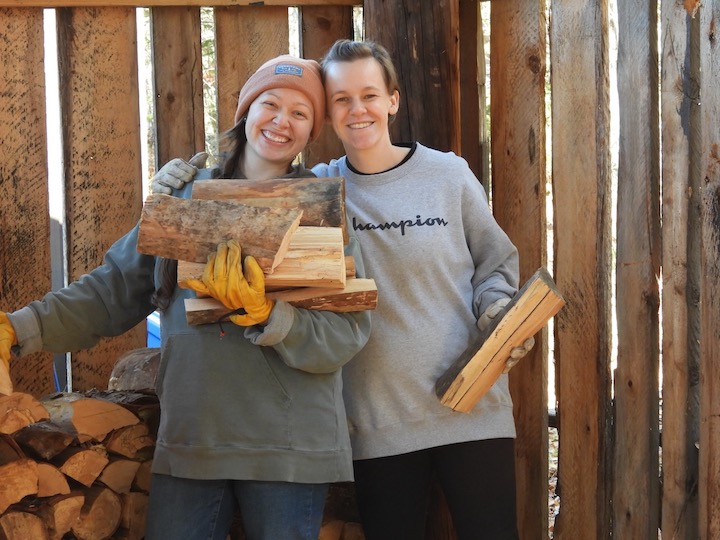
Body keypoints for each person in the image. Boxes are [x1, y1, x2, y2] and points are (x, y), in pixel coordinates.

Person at [152, 41, 534, 540]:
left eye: (370, 95)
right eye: (341, 100)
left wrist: (497, 309)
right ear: (326, 116)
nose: (358, 110)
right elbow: (239, 193)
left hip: (472, 406)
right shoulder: (315, 192)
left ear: (392, 100)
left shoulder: (447, 174)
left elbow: (495, 263)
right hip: (376, 422)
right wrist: (169, 188)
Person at [0, 54, 371, 540]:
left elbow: (347, 333)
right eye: (271, 104)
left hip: (290, 447)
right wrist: (19, 327)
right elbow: (113, 290)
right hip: (194, 439)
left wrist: (269, 314)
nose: (282, 121)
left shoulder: (322, 211)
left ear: (312, 131)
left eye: (301, 114)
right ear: (245, 111)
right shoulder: (183, 196)